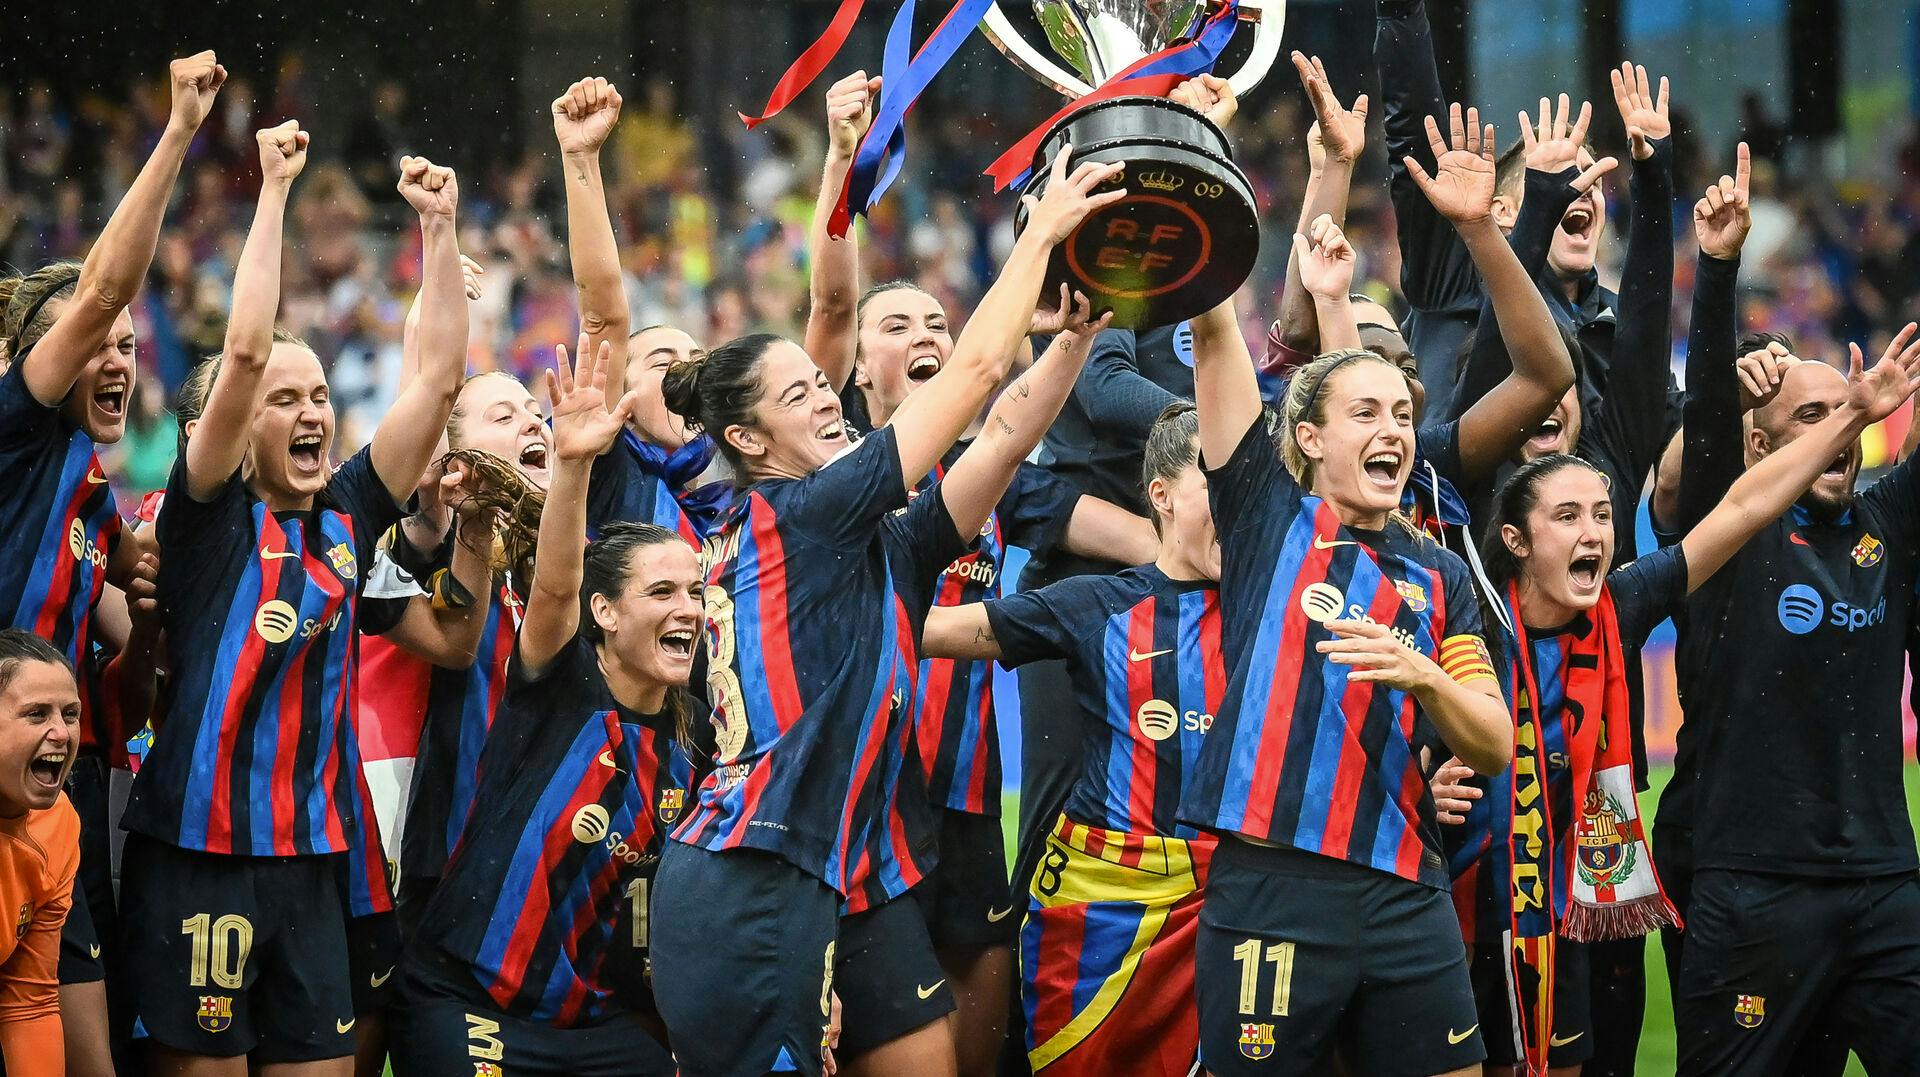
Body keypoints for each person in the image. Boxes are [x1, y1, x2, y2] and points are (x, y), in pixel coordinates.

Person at [648, 151, 1125, 1076]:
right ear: (747, 442)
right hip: (750, 880)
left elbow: (1003, 435)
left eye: (820, 385)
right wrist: (1041, 233)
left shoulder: (868, 537)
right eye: (799, 395)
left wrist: (1071, 339)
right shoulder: (801, 512)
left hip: (840, 869)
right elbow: (982, 366)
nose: (826, 397)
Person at [1446, 317, 1920, 1072]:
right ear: (1514, 539)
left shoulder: (1623, 603)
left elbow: (1738, 511)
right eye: (1568, 517)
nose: (1595, 533)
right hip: (1479, 898)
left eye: (1602, 514)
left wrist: (1861, 415)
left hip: (1582, 895)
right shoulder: (1468, 610)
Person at [801, 74, 1156, 1075]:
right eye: (897, 327)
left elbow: (1120, 532)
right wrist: (840, 159)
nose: (922, 338)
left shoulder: (994, 481)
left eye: (934, 327)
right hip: (857, 792)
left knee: (982, 1038)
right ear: (856, 371)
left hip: (962, 797)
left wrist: (1207, 558)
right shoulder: (833, 476)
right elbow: (833, 298)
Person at [119, 120, 468, 1070]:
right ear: (237, 428)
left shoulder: (348, 513)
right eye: (288, 400)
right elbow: (238, 357)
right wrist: (271, 190)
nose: (313, 411)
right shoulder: (202, 521)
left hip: (315, 864)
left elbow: (435, 381)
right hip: (200, 855)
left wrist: (439, 229)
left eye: (319, 395)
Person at [1178, 108, 1515, 1077]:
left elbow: (1489, 742)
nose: (1395, 429)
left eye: (1404, 413)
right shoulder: (1262, 513)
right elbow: (1211, 331)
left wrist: (1424, 676)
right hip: (1271, 890)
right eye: (1366, 411)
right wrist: (1202, 154)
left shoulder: (1438, 574)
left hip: (1406, 890)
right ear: (1312, 437)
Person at [1652, 140, 1920, 1074]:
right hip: (1755, 886)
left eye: (1844, 414)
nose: (1837, 434)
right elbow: (1709, 450)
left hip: (1886, 880)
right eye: (1810, 419)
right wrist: (1718, 268)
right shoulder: (1733, 531)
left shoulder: (1889, 517)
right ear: (1761, 442)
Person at [0, 51, 225, 1074]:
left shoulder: (98, 507)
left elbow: (135, 681)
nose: (118, 358)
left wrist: (158, 612)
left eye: (133, 347)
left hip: (68, 787)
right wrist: (177, 132)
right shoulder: (16, 434)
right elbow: (98, 291)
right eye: (98, 343)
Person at [390, 338, 694, 1076]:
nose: (684, 606)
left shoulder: (684, 740)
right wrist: (574, 463)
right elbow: (555, 590)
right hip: (456, 931)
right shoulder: (546, 652)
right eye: (506, 413)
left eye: (692, 592)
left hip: (582, 991)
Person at [918, 402, 1222, 1076]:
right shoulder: (1093, 603)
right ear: (1163, 497)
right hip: (1099, 911)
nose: (1235, 499)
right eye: (1213, 478)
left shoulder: (1283, 605)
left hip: (1235, 904)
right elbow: (929, 631)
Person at [0, 629, 84, 1077]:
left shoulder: (59, 825)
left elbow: (28, 1000)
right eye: (36, 714)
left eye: (70, 714)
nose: (60, 732)